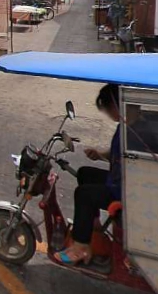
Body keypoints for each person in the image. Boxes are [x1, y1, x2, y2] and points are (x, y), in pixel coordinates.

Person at [56, 84, 121, 265]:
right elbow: (118, 154)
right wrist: (100, 155)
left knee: (83, 194)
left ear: (115, 105)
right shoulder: (126, 125)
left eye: (108, 110)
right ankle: (93, 227)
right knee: (85, 173)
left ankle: (81, 247)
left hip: (123, 190)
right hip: (119, 181)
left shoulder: (133, 131)